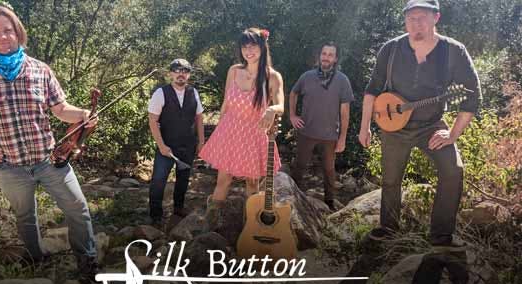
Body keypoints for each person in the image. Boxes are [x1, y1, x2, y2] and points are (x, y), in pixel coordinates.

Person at [0, 5, 101, 284]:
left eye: (8, 30)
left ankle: (87, 261)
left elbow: (60, 110)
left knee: (78, 208)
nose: (2, 36)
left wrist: (83, 114)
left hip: (50, 160)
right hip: (7, 167)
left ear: (18, 33)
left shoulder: (39, 70)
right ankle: (37, 260)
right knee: (26, 216)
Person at [358, 0, 481, 251]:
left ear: (436, 18)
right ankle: (389, 231)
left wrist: (453, 134)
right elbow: (372, 90)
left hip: (432, 125)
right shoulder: (390, 49)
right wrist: (364, 127)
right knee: (391, 180)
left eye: (422, 17)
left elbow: (473, 94)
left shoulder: (453, 51)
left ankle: (441, 236)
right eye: (411, 18)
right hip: (393, 126)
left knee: (453, 170)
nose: (416, 24)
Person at [199, 27, 284, 227]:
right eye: (244, 46)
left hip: (254, 134)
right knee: (223, 180)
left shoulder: (273, 77)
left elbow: (281, 105)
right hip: (230, 131)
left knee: (252, 183)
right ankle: (208, 226)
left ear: (263, 47)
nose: (249, 51)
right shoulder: (234, 71)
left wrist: (272, 109)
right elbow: (226, 103)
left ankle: (251, 226)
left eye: (253, 45)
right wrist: (219, 130)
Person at [289, 43, 354, 210]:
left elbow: (345, 111)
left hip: (330, 135)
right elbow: (293, 93)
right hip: (306, 132)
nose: (326, 57)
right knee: (300, 165)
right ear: (320, 56)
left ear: (335, 58)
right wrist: (292, 115)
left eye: (330, 54)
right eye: (324, 53)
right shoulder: (307, 76)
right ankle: (293, 199)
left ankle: (330, 203)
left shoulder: (342, 80)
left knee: (329, 170)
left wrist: (343, 138)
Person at [147, 59, 205, 226]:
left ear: (188, 74)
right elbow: (152, 121)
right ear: (171, 73)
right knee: (158, 180)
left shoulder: (193, 92)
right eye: (177, 70)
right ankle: (155, 215)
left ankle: (178, 208)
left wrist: (201, 141)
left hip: (188, 145)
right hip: (166, 146)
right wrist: (161, 146)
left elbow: (199, 117)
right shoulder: (161, 93)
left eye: (185, 71)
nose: (181, 74)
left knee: (183, 179)